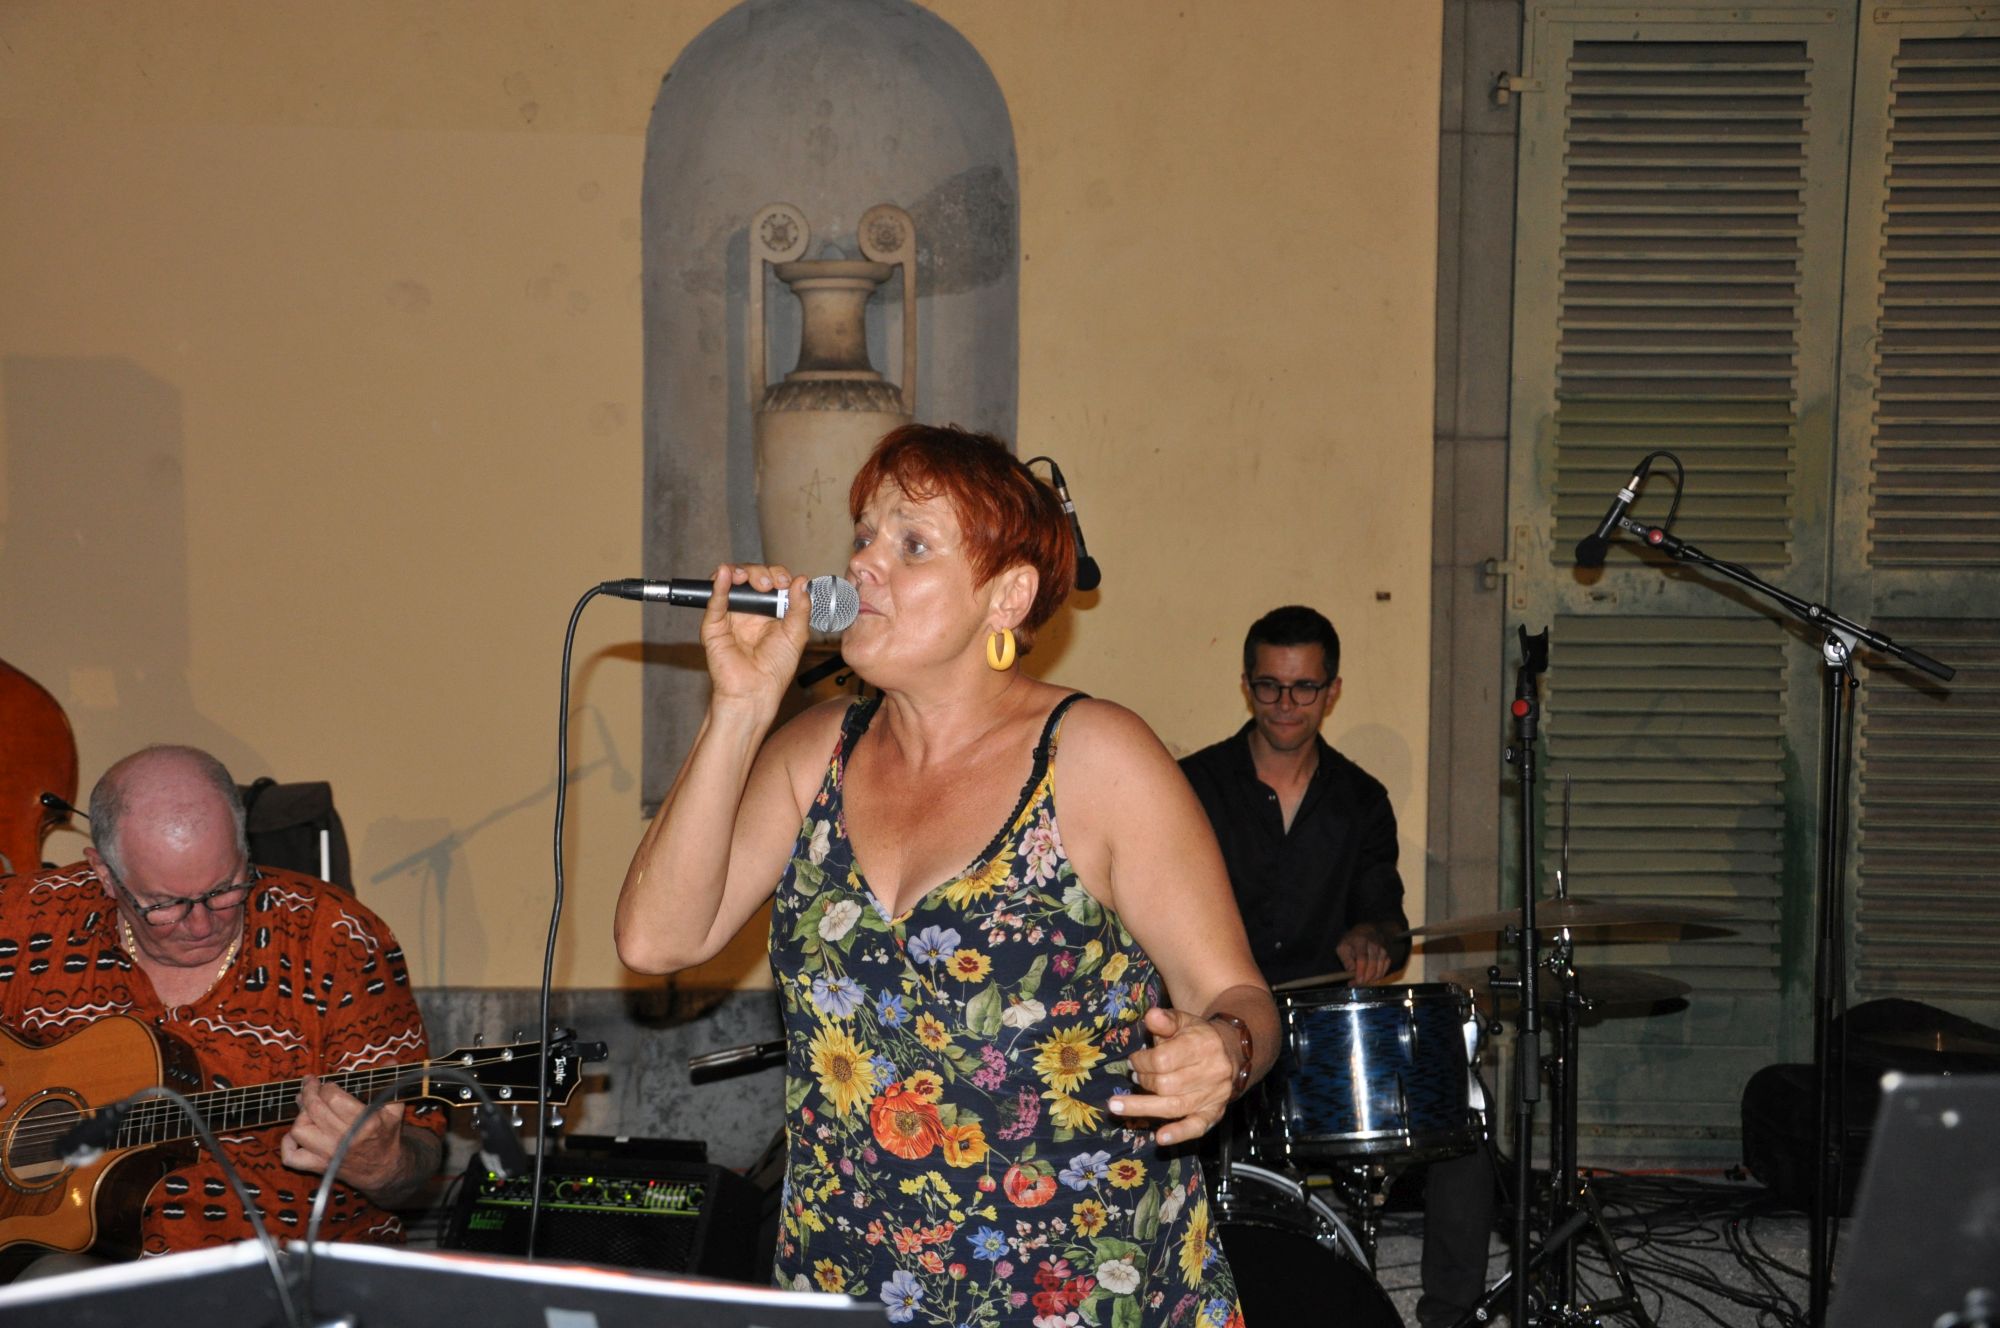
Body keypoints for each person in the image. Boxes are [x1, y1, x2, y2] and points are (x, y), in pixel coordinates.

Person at [617, 424, 1278, 1327]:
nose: (863, 564)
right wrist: (738, 706)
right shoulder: (815, 755)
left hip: (1078, 1288)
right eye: (863, 535)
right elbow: (656, 939)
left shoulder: (1095, 758)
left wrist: (1225, 1052)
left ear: (1007, 595)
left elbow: (1240, 995)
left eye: (912, 544)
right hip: (848, 1280)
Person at [0, 745, 443, 1264]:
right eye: (165, 904)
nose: (202, 923)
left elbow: (419, 1155)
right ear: (103, 872)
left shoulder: (336, 939)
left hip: (289, 1275)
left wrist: (384, 1166)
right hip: (64, 1271)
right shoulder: (24, 919)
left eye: (225, 889)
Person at [1179, 606, 1494, 1328]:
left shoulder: (1361, 800)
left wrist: (1373, 939)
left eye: (1305, 688)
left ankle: (1448, 1317)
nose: (1286, 704)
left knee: (1462, 1126)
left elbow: (1387, 919)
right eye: (1270, 686)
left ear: (1333, 690)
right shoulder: (1194, 785)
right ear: (1247, 685)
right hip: (1221, 1033)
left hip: (1323, 1048)